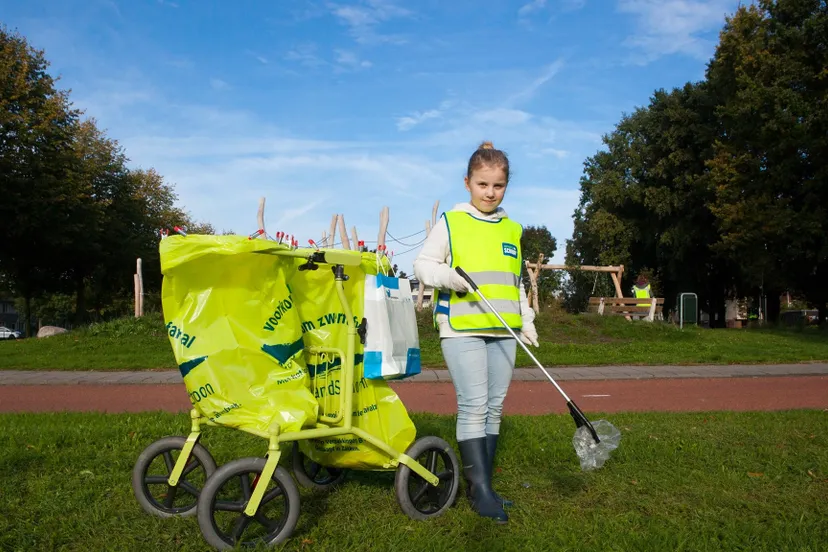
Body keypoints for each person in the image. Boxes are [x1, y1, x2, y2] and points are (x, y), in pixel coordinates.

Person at [413, 141, 538, 524]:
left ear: (506, 187)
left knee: (495, 407)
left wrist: (527, 318)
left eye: (497, 186)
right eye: (482, 184)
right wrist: (449, 277)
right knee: (474, 405)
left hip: (504, 330)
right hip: (462, 327)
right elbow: (422, 265)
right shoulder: (452, 222)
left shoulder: (512, 228)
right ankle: (480, 491)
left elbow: (513, 281)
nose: (489, 192)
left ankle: (483, 486)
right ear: (467, 183)